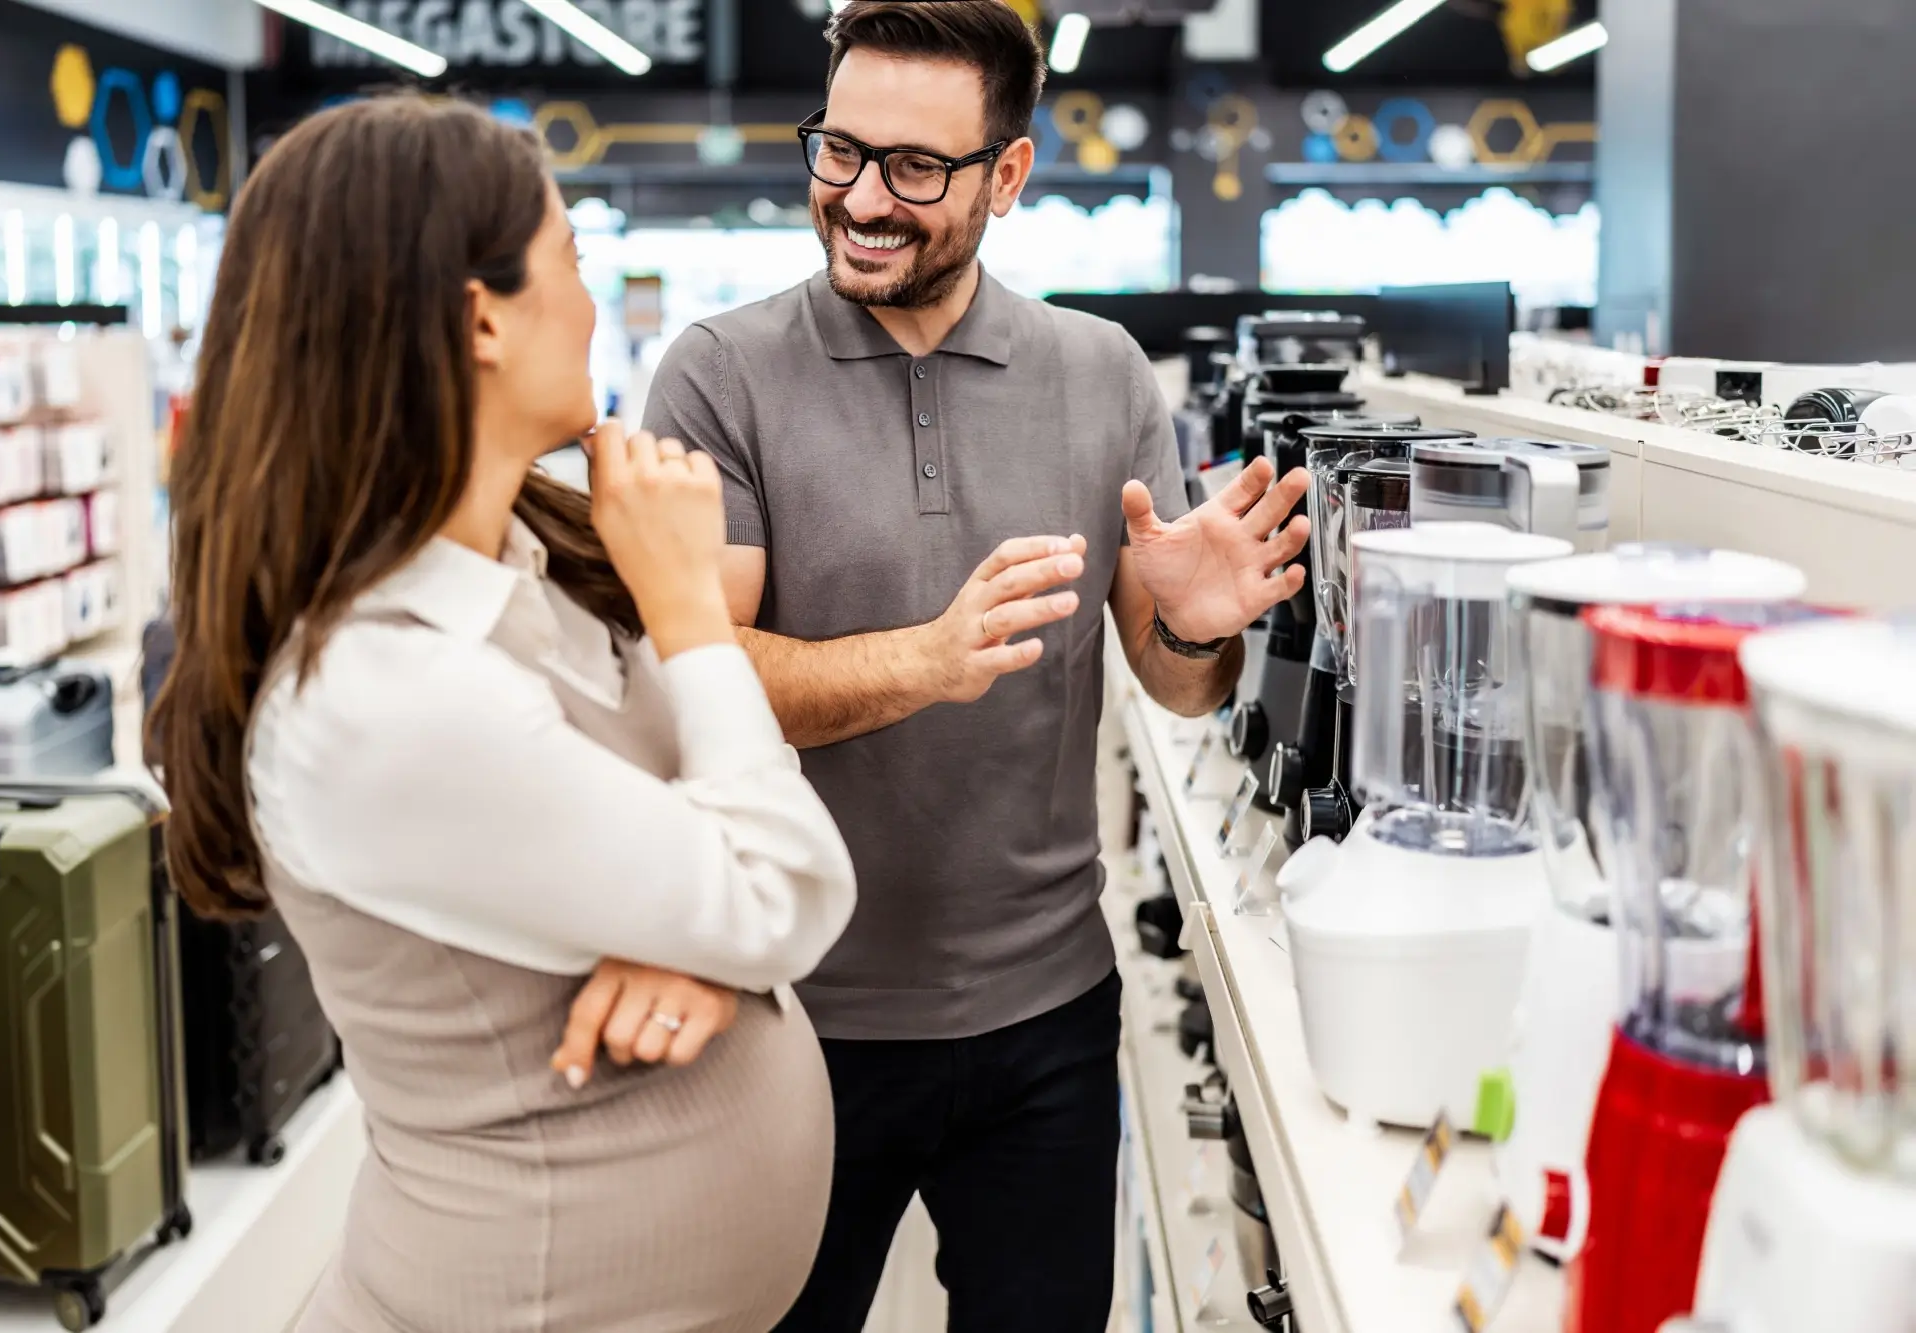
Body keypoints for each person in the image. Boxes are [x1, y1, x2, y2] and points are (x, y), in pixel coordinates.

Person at [640, 3, 1312, 1328]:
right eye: (840, 151)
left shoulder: (1101, 375)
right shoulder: (719, 375)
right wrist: (923, 661)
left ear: (1007, 174)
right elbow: (698, 673)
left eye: (913, 167)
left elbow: (1179, 686)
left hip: (1045, 1022)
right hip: (791, 1015)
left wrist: (1195, 626)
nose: (860, 200)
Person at [148, 97, 858, 1333]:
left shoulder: (530, 551)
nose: (591, 304)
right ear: (481, 318)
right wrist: (687, 608)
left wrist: (693, 932)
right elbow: (785, 887)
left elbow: (714, 832)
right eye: (570, 261)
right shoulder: (377, 700)